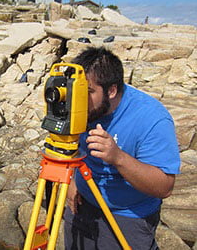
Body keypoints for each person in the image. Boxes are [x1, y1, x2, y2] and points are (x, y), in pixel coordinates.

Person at [63, 47, 181, 249]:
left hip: (128, 216)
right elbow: (72, 144)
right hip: (82, 205)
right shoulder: (82, 106)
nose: (78, 98)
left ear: (111, 90)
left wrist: (118, 158)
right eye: (76, 89)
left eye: (88, 91)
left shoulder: (151, 118)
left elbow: (164, 187)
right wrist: (74, 180)